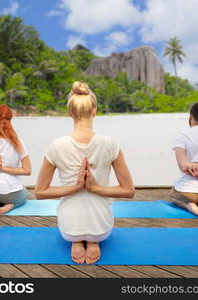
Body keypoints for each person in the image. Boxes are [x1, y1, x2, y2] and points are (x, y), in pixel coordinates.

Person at [35, 81, 135, 264]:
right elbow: (129, 191)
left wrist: (75, 187)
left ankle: (77, 241)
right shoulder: (111, 143)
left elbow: (40, 192)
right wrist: (95, 188)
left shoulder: (56, 146)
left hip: (69, 228)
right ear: (94, 110)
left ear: (69, 112)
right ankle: (93, 241)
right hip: (101, 228)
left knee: (73, 231)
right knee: (97, 231)